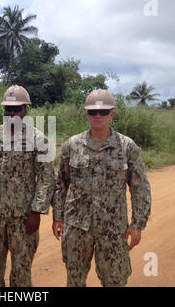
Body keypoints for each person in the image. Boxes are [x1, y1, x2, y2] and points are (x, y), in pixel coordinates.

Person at [52, 89, 152, 287]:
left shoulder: (127, 147)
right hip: (77, 227)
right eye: (93, 112)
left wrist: (137, 224)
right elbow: (60, 184)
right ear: (87, 114)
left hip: (113, 229)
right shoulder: (72, 145)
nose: (98, 116)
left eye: (103, 112)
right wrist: (57, 217)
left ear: (111, 114)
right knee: (74, 280)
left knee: (115, 281)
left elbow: (140, 188)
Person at [0, 85, 55, 287]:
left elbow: (46, 178)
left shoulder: (38, 140)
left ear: (25, 110)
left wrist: (37, 211)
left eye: (17, 109)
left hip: (24, 217)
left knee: (21, 271)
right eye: (8, 109)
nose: (12, 114)